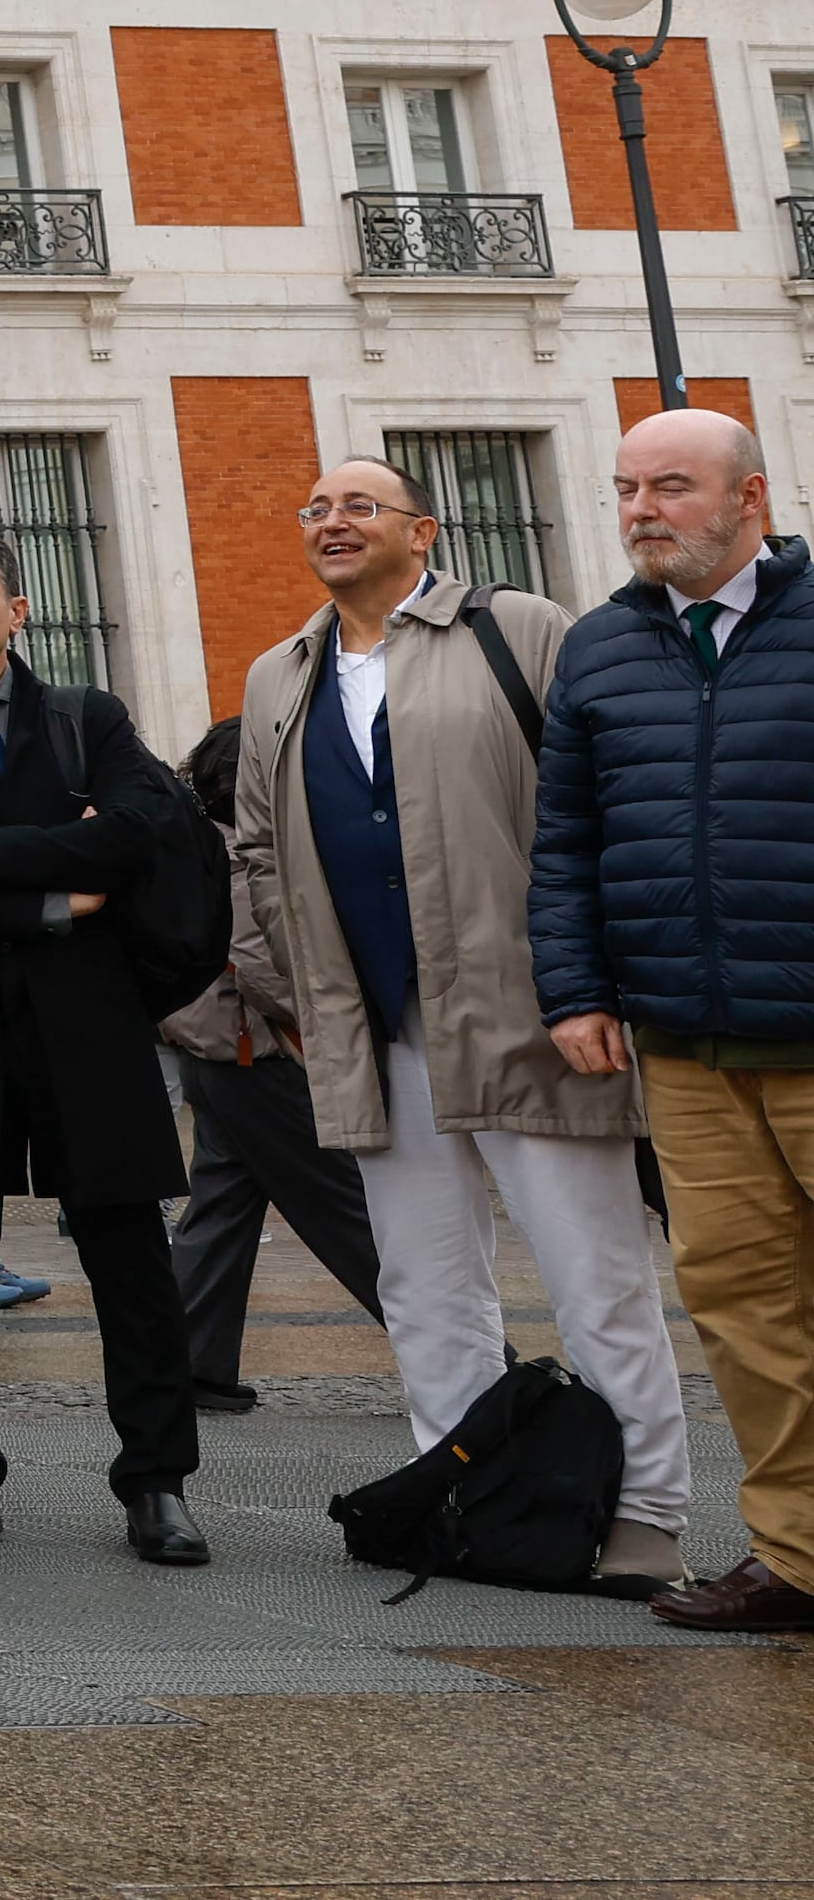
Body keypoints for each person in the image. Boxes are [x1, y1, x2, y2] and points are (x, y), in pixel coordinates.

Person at [235, 461, 676, 1583]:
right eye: (313, 507)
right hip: (373, 1032)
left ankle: (643, 1515)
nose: (329, 520)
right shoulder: (276, 675)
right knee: (424, 1291)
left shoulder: (514, 629)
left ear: (421, 531)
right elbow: (250, 849)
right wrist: (288, 989)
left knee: (595, 1278)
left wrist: (596, 982)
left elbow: (596, 801)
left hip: (531, 1016)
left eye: (356, 506)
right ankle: (458, 1494)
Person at [0, 528, 208, 1567]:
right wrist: (55, 899)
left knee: (127, 1256)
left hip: (86, 1025)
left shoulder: (85, 719)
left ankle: (154, 1481)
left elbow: (140, 831)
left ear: (16, 610)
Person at [531, 408, 814, 1634]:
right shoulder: (597, 647)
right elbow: (565, 844)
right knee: (744, 1314)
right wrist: (576, 989)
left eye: (671, 488)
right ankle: (796, 1557)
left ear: (749, 497)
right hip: (685, 1047)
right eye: (625, 488)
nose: (641, 509)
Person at [164, 717, 387, 1418]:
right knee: (350, 1210)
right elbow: (258, 959)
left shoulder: (193, 842)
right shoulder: (236, 855)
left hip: (215, 1047)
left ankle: (184, 1362)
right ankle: (467, 1355)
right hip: (255, 1047)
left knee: (222, 1208)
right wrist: (323, 1023)